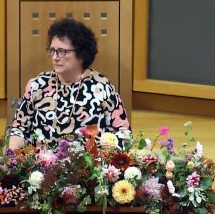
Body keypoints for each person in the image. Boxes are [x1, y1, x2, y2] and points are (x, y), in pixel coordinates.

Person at [8, 18, 130, 150]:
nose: (55, 57)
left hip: (89, 167)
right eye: (52, 50)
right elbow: (19, 129)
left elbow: (123, 133)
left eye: (62, 51)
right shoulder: (37, 85)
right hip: (42, 166)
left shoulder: (101, 87)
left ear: (81, 54)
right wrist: (13, 156)